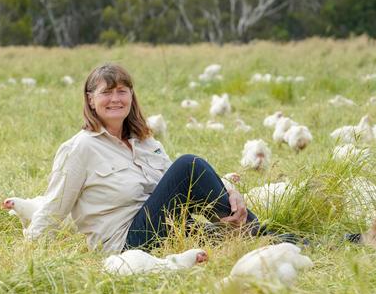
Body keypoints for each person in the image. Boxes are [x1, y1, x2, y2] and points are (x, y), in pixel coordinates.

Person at [24, 63, 259, 253]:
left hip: (172, 228)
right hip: (128, 243)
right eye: (106, 92)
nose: (115, 99)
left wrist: (230, 192)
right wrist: (31, 255)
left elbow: (186, 186)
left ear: (131, 96)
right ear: (91, 100)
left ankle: (274, 237)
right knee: (188, 164)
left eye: (121, 91)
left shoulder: (146, 142)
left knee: (239, 239)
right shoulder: (79, 148)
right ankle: (254, 230)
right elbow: (54, 207)